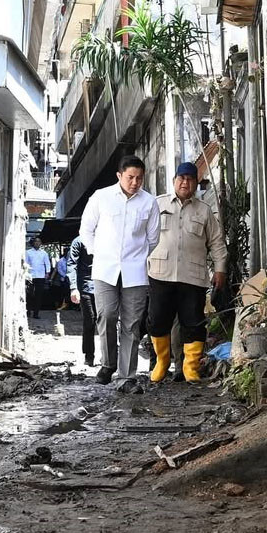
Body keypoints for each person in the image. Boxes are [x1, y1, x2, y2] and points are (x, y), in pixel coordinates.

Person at [79, 155, 160, 393]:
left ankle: (126, 377)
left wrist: (137, 256)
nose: (135, 182)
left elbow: (153, 238)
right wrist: (96, 252)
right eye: (130, 177)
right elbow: (86, 229)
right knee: (106, 315)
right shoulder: (101, 197)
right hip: (105, 270)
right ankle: (108, 363)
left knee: (132, 324)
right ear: (119, 176)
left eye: (139, 178)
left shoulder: (149, 202)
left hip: (135, 272)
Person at [147, 162, 228, 383]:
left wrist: (220, 270)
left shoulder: (204, 211)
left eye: (190, 179)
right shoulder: (157, 205)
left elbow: (217, 243)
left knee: (193, 322)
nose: (185, 182)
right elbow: (140, 236)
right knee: (157, 321)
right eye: (181, 178)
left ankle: (190, 367)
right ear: (174, 181)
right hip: (160, 274)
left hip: (192, 277)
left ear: (195, 184)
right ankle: (162, 362)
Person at [66, 236, 95, 367]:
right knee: (89, 321)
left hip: (106, 285)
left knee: (109, 321)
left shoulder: (107, 237)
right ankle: (89, 356)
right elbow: (71, 264)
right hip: (86, 287)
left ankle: (110, 357)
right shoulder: (78, 241)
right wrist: (73, 288)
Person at [25, 237, 51, 319]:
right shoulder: (28, 252)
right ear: (33, 243)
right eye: (35, 241)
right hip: (30, 276)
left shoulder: (44, 253)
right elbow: (26, 263)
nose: (37, 243)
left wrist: (47, 273)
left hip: (40, 276)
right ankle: (28, 311)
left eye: (39, 241)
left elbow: (47, 263)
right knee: (29, 294)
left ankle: (36, 313)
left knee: (38, 295)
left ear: (40, 243)